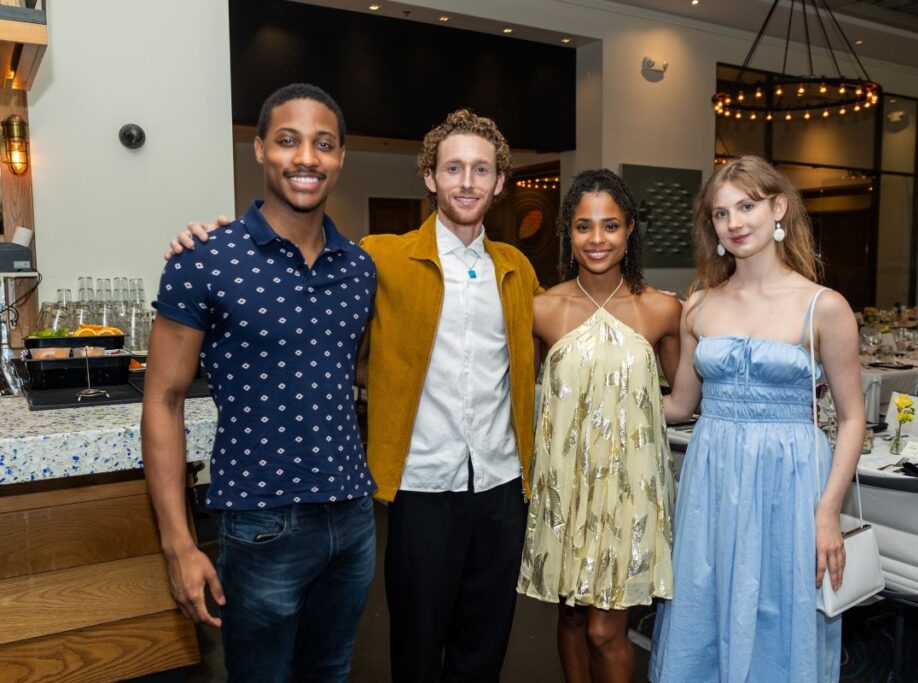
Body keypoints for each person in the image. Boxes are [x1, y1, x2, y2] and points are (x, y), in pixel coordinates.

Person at [167, 109, 541, 682]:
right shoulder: (378, 258)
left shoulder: (517, 268)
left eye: (482, 170)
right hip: (420, 483)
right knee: (415, 645)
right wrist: (208, 240)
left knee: (485, 644)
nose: (467, 181)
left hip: (500, 485)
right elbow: (341, 340)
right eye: (454, 168)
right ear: (429, 177)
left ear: (498, 181)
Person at [143, 83, 377, 682]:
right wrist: (179, 544)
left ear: (341, 157)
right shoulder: (203, 259)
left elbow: (350, 374)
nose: (306, 158)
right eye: (288, 141)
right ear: (259, 149)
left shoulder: (358, 269)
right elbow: (163, 400)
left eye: (323, 144)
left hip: (352, 519)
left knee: (331, 671)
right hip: (260, 522)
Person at [648, 155, 864, 682]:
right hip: (713, 479)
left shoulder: (824, 306)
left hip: (790, 483)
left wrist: (828, 513)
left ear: (778, 208)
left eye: (747, 206)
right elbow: (679, 405)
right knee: (707, 599)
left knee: (780, 607)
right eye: (721, 214)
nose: (735, 223)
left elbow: (854, 418)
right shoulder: (698, 305)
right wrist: (609, 398)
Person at [517, 169, 680, 682]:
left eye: (610, 226)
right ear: (569, 232)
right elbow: (520, 399)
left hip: (629, 492)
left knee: (604, 632)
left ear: (629, 229)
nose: (597, 239)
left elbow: (684, 396)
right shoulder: (541, 308)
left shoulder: (662, 309)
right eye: (584, 226)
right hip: (564, 488)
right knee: (568, 616)